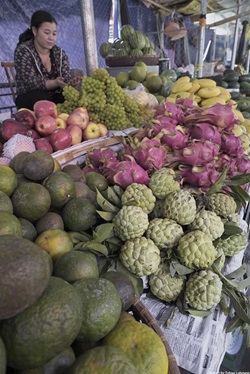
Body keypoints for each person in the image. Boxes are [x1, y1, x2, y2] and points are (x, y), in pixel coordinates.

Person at [14, 10, 71, 110]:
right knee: (41, 98)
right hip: (31, 98)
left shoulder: (59, 53)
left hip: (54, 97)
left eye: (54, 34)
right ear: (35, 31)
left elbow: (66, 76)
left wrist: (68, 81)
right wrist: (56, 83)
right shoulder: (23, 51)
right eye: (47, 33)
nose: (51, 38)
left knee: (68, 96)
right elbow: (32, 83)